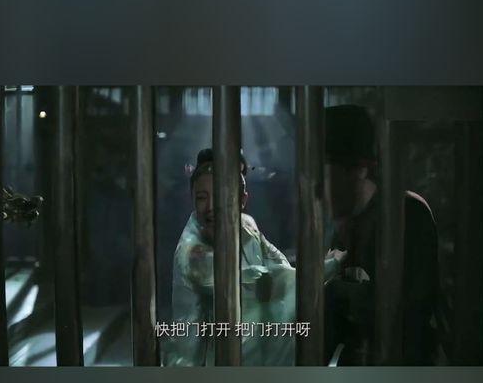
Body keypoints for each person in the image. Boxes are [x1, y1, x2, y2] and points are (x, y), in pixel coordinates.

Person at [165, 148, 346, 367]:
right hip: (207, 357)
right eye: (202, 198)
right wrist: (329, 266)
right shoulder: (191, 250)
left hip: (257, 346)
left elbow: (280, 265)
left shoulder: (247, 225)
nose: (211, 207)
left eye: (221, 196)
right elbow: (255, 281)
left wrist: (321, 267)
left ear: (242, 200)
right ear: (193, 199)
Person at [323, 105, 440, 365]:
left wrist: (340, 292)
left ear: (359, 169)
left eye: (324, 173)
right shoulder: (344, 227)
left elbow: (411, 313)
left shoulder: (407, 214)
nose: (315, 189)